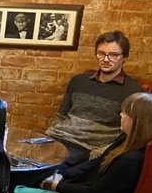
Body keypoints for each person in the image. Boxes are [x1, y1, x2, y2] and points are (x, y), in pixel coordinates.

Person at [12, 92, 152, 193]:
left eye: (125, 113)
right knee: (31, 178)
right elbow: (95, 163)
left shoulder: (130, 160)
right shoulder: (125, 140)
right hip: (79, 191)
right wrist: (62, 175)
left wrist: (57, 187)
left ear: (138, 122)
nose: (121, 114)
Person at [47, 30, 144, 166]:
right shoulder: (79, 81)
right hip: (57, 138)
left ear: (125, 57)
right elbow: (61, 115)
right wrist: (49, 133)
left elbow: (128, 136)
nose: (105, 59)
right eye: (101, 54)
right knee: (14, 159)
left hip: (87, 148)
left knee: (43, 169)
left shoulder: (133, 92)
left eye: (113, 55)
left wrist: (102, 152)